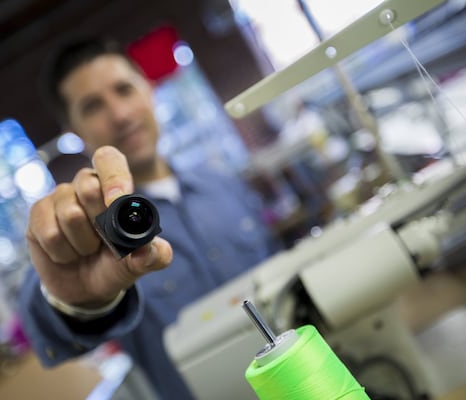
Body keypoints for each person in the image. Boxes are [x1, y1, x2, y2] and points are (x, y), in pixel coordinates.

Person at [18, 36, 278, 399]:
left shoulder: (223, 185)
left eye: (124, 90)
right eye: (93, 106)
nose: (120, 115)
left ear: (148, 90)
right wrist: (77, 303)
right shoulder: (92, 238)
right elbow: (46, 320)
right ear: (75, 132)